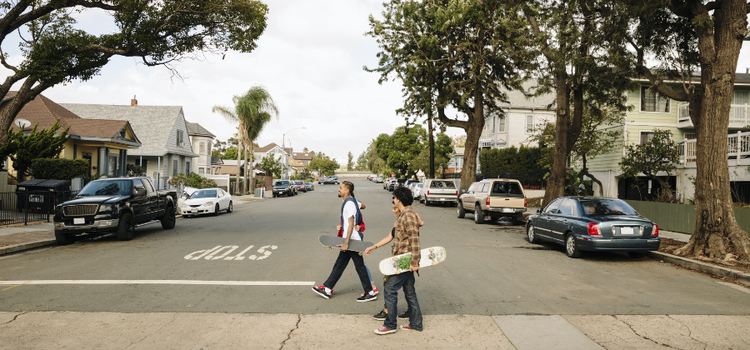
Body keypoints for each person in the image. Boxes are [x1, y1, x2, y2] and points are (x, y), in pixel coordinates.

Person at [365, 186, 423, 334]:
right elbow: (419, 223)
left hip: (405, 259)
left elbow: (414, 240)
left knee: (390, 289)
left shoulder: (408, 215)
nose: (393, 200)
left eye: (395, 198)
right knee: (409, 292)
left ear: (399, 199)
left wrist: (414, 263)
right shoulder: (405, 214)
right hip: (403, 257)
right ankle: (416, 323)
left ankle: (390, 325)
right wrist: (374, 247)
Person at [312, 181, 377, 302]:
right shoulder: (352, 201)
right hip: (349, 239)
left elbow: (351, 223)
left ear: (347, 190)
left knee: (359, 266)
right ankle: (327, 288)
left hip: (352, 241)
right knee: (340, 264)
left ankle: (370, 292)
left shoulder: (349, 204)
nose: (339, 189)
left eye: (341, 188)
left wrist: (346, 242)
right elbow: (362, 206)